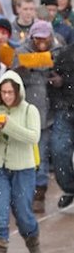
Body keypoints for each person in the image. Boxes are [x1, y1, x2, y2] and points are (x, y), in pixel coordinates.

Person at [0, 70, 42, 253]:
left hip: (23, 168)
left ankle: (33, 242)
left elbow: (33, 138)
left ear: (18, 92)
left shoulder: (29, 110)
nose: (7, 96)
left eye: (10, 92)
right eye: (3, 92)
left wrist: (7, 125)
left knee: (23, 213)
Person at [12, 20, 62, 213]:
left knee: (43, 154)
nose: (41, 42)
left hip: (49, 112)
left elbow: (68, 74)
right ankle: (24, 191)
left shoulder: (58, 51)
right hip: (27, 112)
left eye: (45, 38)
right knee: (25, 156)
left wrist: (60, 79)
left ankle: (39, 191)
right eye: (37, 38)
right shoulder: (21, 51)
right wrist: (21, 69)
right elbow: (12, 80)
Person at [49, 42, 74, 208]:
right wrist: (57, 81)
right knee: (58, 150)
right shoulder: (65, 53)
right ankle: (70, 188)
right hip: (65, 108)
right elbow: (52, 78)